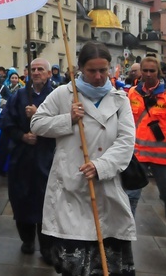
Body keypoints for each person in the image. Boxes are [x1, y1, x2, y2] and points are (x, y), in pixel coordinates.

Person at [31, 42, 136, 275]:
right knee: (75, 263)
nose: (99, 76)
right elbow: (37, 124)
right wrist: (67, 119)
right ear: (80, 69)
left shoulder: (120, 99)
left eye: (103, 70)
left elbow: (126, 141)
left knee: (107, 258)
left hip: (106, 186)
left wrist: (101, 166)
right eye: (92, 71)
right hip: (71, 185)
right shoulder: (63, 94)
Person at [0, 58, 56, 263]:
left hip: (48, 157)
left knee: (47, 203)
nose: (37, 72)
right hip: (22, 157)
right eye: (33, 69)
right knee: (22, 199)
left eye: (41, 69)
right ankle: (27, 239)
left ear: (49, 74)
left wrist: (38, 115)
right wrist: (22, 136)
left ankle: (47, 246)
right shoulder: (19, 95)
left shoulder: (56, 96)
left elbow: (67, 123)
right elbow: (5, 122)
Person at [126, 56, 166, 247]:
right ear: (140, 72)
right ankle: (126, 232)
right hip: (138, 154)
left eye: (152, 71)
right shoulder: (132, 93)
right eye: (145, 71)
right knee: (131, 194)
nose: (149, 74)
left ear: (158, 72)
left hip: (162, 157)